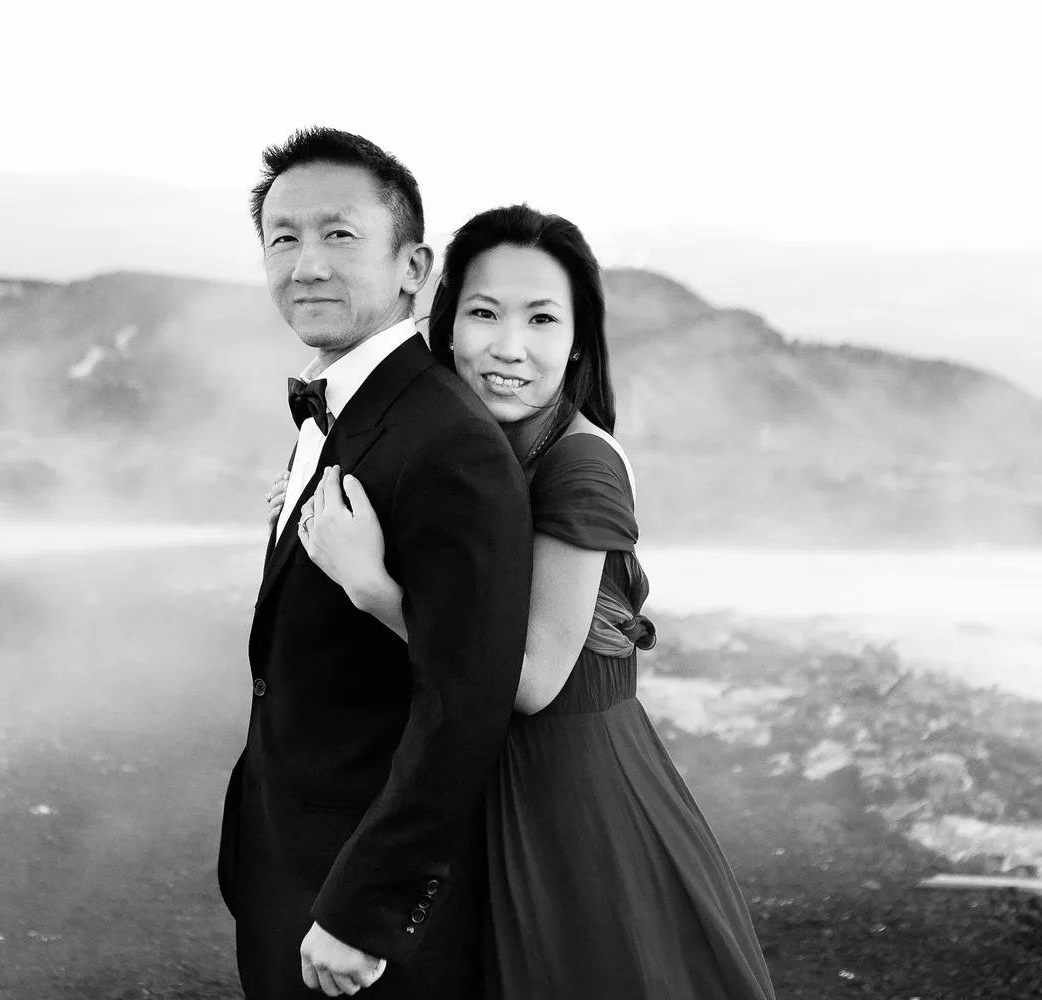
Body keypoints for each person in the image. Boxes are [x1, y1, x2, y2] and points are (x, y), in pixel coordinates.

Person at [288, 205, 778, 999]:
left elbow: (529, 680)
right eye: (483, 313)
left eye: (541, 319)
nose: (508, 348)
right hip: (480, 772)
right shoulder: (468, 445)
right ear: (446, 325)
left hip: (567, 789)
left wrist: (372, 588)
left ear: (578, 339)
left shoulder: (580, 465)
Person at [217, 128, 533, 999]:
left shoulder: (448, 443)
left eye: (339, 234)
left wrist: (368, 910)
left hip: (366, 920)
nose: (306, 263)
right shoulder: (344, 414)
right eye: (283, 238)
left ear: (413, 266)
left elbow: (463, 703)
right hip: (292, 870)